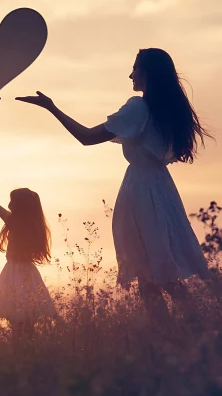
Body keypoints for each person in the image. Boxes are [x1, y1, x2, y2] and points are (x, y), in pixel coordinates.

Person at [16, 48, 212, 328]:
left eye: (135, 68)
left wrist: (52, 107)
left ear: (148, 73)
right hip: (162, 189)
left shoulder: (138, 108)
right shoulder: (164, 111)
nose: (131, 74)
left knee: (151, 275)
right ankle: (195, 334)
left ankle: (178, 336)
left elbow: (86, 137)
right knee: (160, 271)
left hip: (142, 192)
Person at [0, 170, 56, 335]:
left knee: (17, 320)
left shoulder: (14, 221)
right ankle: (27, 350)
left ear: (19, 205)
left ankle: (21, 350)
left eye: (12, 201)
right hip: (29, 272)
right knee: (27, 320)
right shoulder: (35, 226)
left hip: (14, 272)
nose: (9, 204)